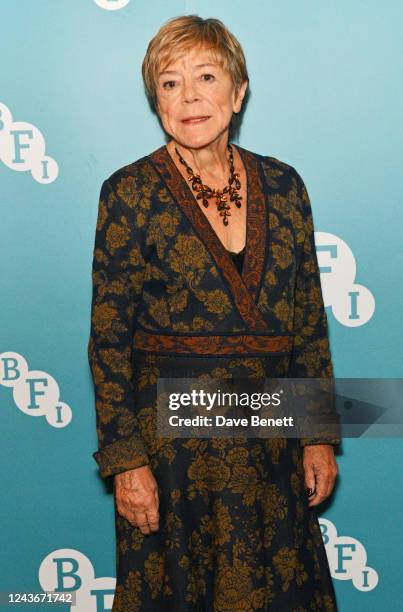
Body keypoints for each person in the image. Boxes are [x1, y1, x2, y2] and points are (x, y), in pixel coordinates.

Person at [88, 14, 341, 611]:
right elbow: (107, 342)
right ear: (156, 99)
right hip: (174, 462)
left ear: (239, 91)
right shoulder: (128, 193)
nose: (190, 97)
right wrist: (126, 464)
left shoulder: (284, 186)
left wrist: (318, 437)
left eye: (206, 76)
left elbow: (307, 323)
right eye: (170, 83)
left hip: (272, 449)